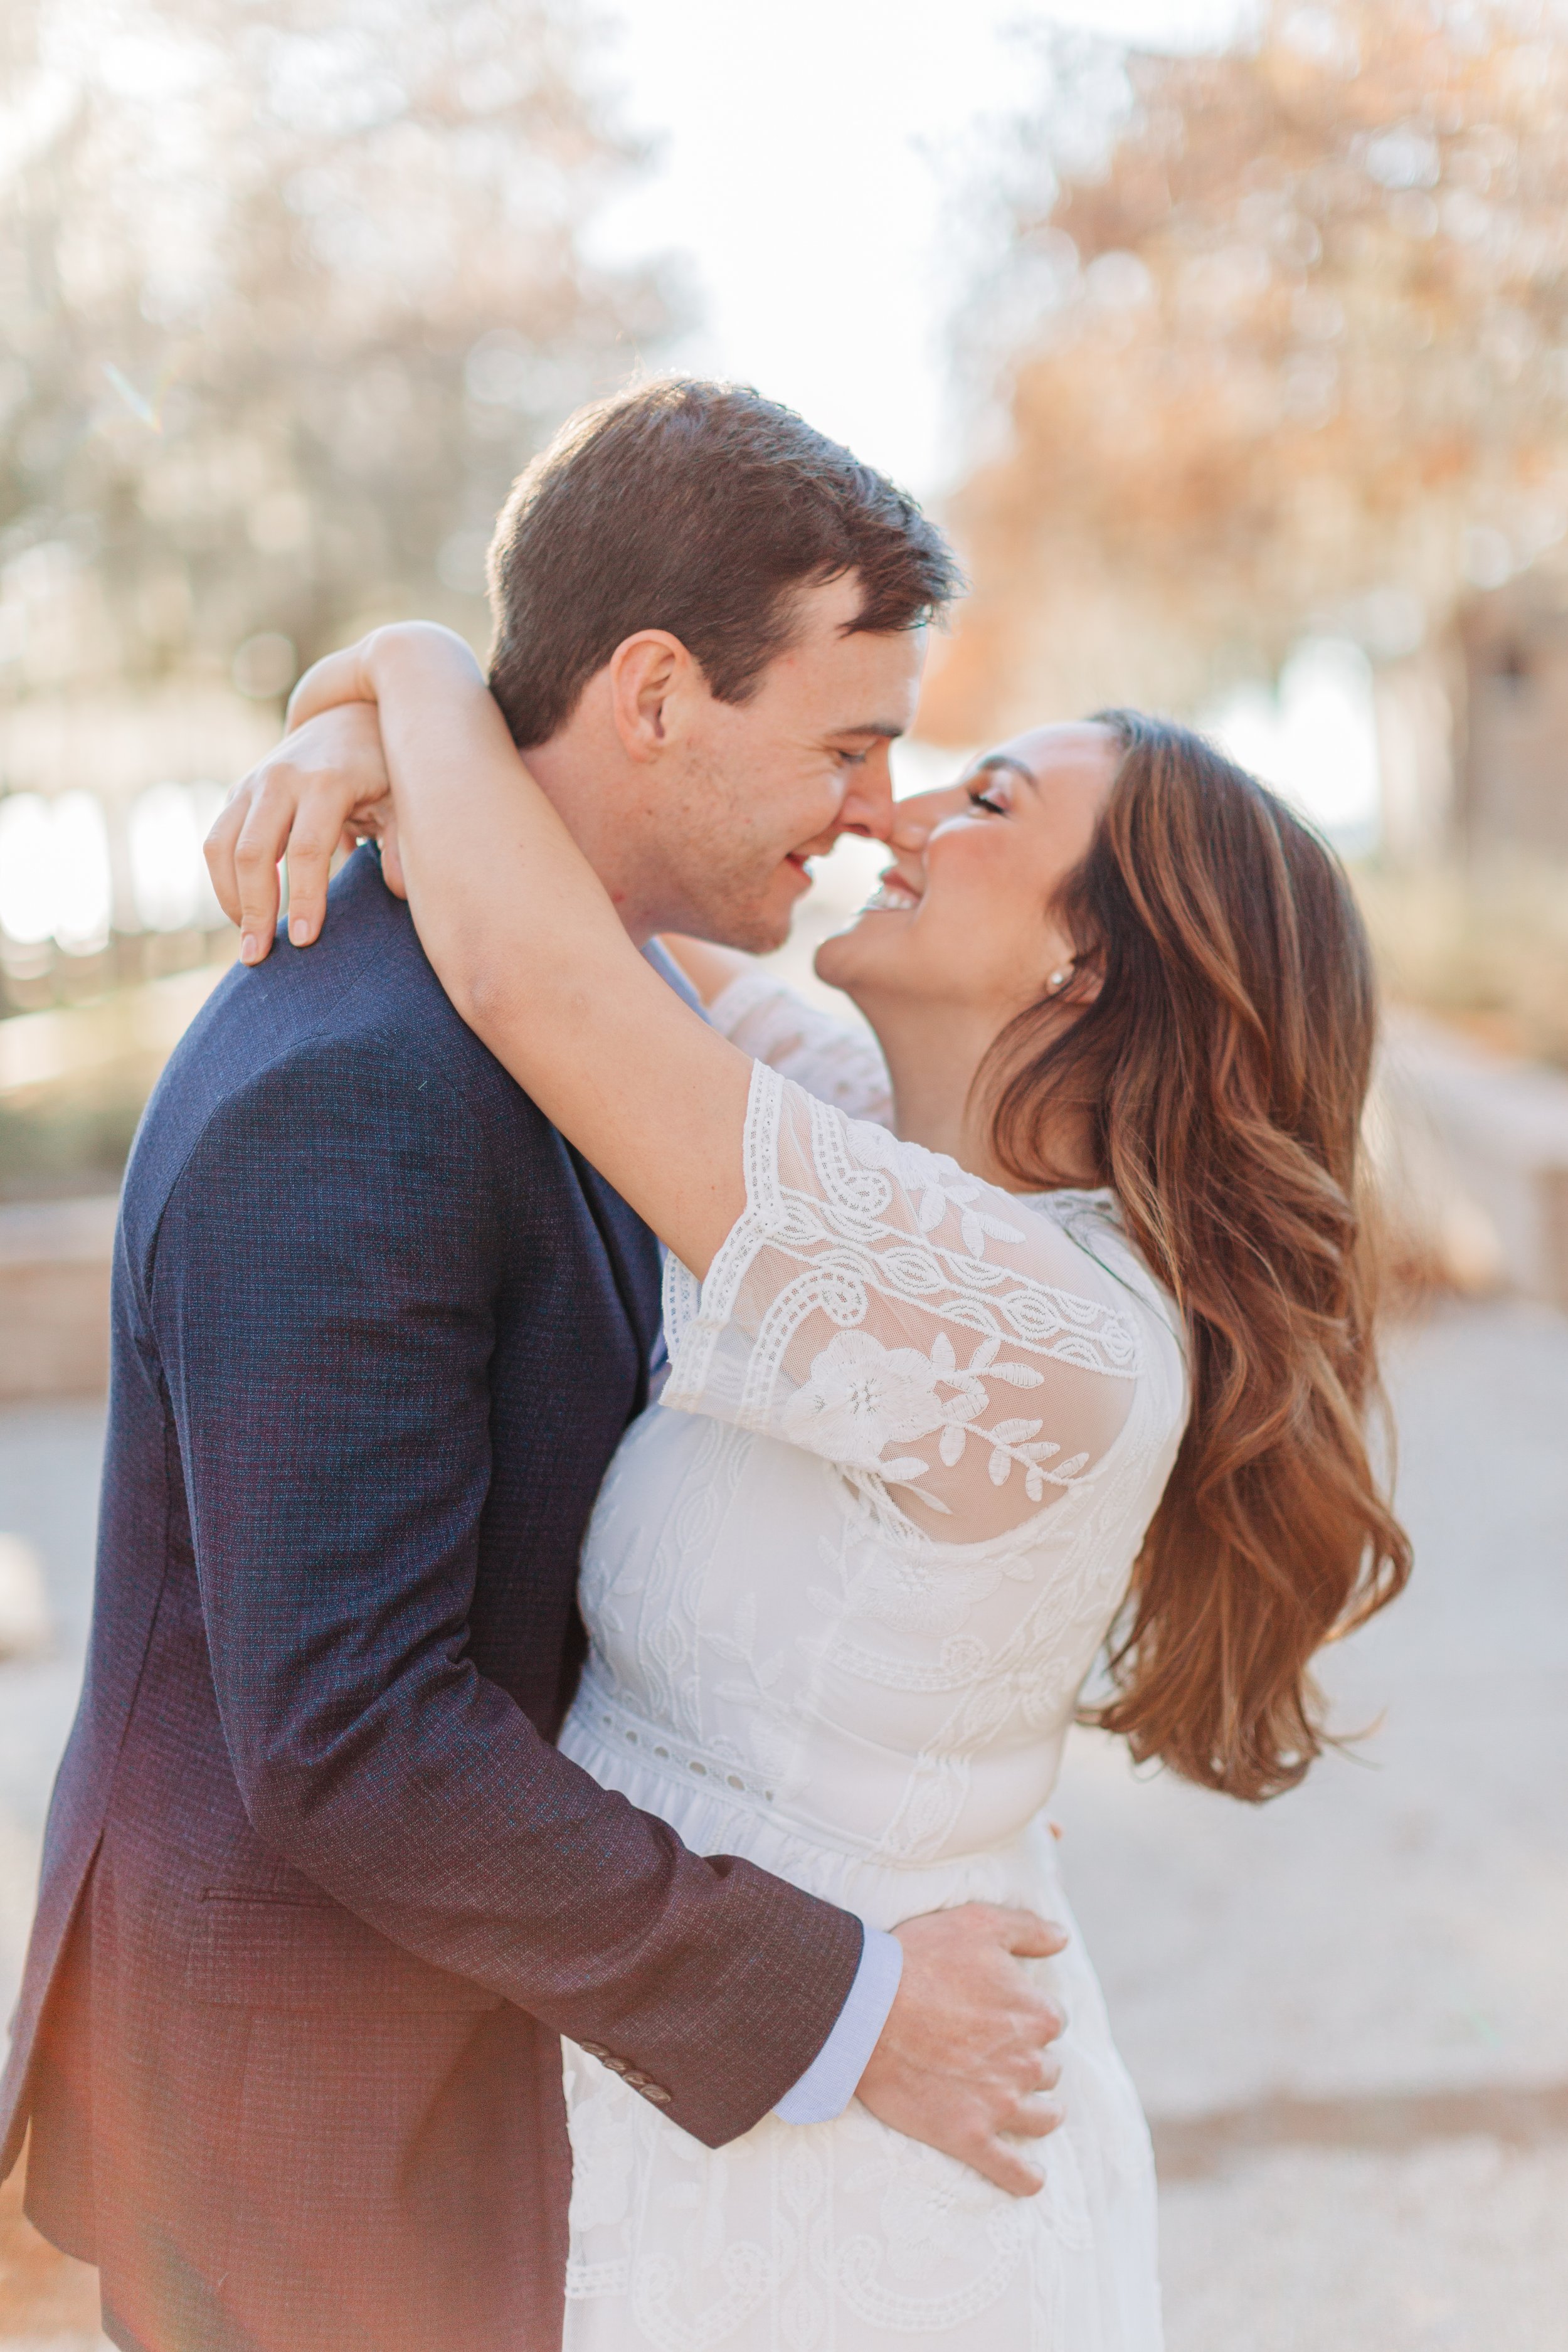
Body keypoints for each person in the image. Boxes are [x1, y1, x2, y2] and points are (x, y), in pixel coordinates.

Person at [0, 384, 1076, 2352]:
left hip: (442, 2049)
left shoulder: (603, 995)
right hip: (303, 2120)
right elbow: (350, 1735)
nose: (870, 808)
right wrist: (842, 2001)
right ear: (652, 693)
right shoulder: (359, 1081)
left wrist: (379, 690)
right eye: (845, 742)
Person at [204, 613, 1412, 2348]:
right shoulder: (889, 1148)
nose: (895, 817)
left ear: (1086, 966)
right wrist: (351, 738)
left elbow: (537, 978)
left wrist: (394, 660)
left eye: (987, 800)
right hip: (733, 2078)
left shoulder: (1028, 1324)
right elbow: (553, 889)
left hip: (843, 2177)